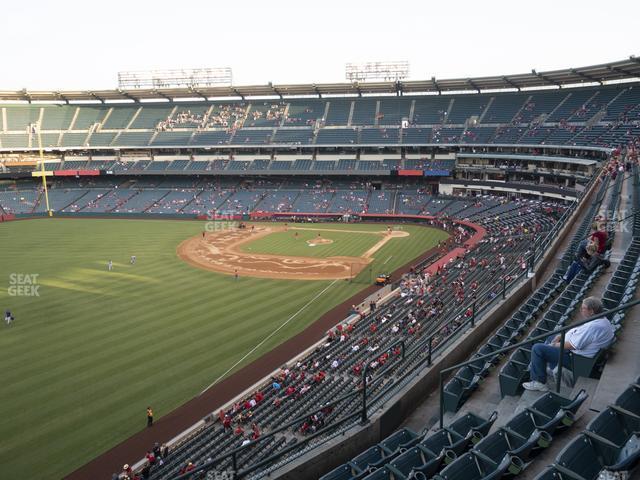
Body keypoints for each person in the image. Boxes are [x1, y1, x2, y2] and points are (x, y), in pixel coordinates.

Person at [523, 297, 614, 392]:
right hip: (578, 354)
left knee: (537, 349)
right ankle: (549, 367)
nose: (580, 310)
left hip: (574, 359)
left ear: (591, 311)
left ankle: (539, 382)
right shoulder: (602, 319)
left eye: (583, 308)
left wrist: (553, 345)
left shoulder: (594, 326)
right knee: (551, 337)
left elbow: (572, 345)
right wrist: (561, 336)